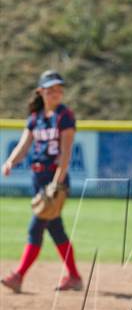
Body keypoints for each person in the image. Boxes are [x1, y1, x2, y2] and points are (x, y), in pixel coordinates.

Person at [1, 70, 83, 293]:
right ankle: (74, 277)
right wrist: (10, 162)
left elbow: (66, 153)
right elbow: (24, 145)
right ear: (41, 91)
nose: (56, 92)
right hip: (38, 179)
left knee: (35, 227)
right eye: (51, 88)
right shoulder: (35, 117)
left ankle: (18, 275)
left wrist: (57, 182)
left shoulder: (64, 115)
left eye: (59, 89)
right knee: (56, 230)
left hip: (55, 178)